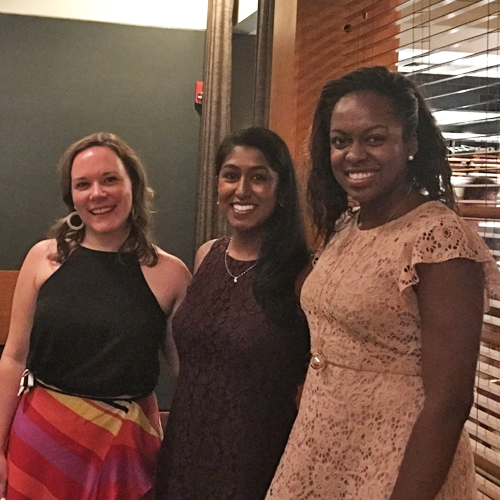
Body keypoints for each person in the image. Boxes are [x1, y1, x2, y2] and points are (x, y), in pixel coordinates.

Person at [265, 66, 500, 500]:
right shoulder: (347, 226)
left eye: (374, 138)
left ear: (410, 144)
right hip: (322, 449)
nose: (354, 154)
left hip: (397, 464)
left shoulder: (438, 238)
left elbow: (449, 404)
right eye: (340, 141)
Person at [0, 132, 191, 500]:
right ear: (71, 196)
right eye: (82, 184)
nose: (97, 194)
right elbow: (13, 358)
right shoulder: (42, 259)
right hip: (40, 441)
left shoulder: (172, 274)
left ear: (134, 185)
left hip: (123, 452)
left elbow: (189, 374)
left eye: (110, 179)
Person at [155, 127, 311, 500]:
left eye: (259, 177)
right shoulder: (206, 255)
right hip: (186, 451)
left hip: (256, 462)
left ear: (282, 189)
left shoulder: (303, 274)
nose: (242, 190)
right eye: (231, 175)